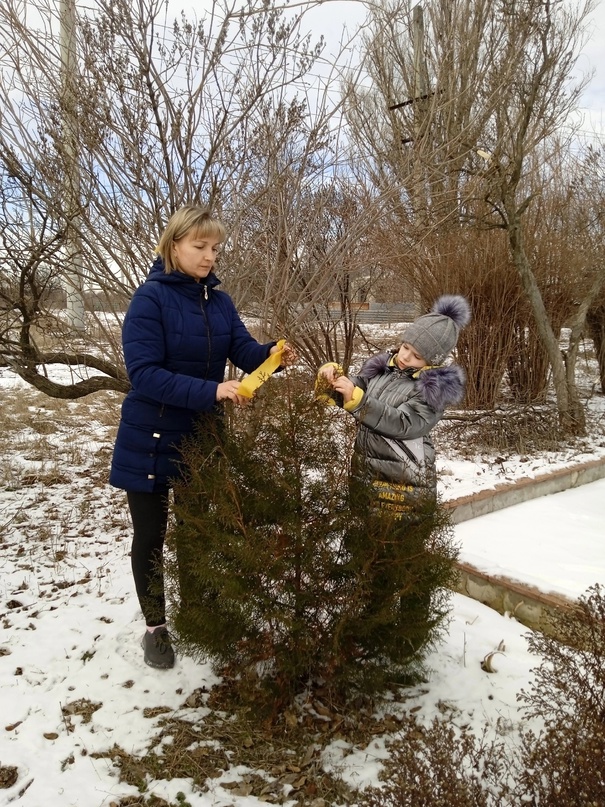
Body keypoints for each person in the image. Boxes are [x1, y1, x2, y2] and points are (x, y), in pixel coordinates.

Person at [110, 206, 295, 670]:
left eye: (214, 248)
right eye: (200, 246)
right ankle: (155, 628)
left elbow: (244, 352)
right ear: (174, 245)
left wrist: (269, 354)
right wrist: (214, 389)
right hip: (149, 436)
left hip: (202, 436)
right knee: (151, 535)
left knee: (198, 529)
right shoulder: (149, 300)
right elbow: (145, 374)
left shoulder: (221, 303)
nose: (209, 256)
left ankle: (197, 611)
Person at [316, 295, 471, 508]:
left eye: (416, 355)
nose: (406, 357)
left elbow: (403, 423)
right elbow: (358, 386)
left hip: (403, 483)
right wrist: (333, 380)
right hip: (367, 470)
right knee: (362, 529)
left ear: (433, 361)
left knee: (393, 537)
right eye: (406, 347)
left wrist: (359, 402)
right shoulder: (383, 370)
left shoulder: (432, 390)